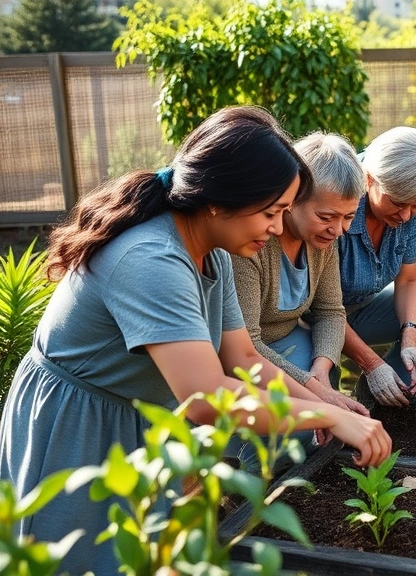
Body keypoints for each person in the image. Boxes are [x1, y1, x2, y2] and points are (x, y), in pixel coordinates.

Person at [0, 106, 392, 574]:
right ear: (217, 201)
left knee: (143, 554)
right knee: (78, 559)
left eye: (284, 212)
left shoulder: (213, 252)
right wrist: (324, 414)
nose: (275, 228)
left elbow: (243, 357)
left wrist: (320, 398)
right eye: (270, 212)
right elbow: (207, 397)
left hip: (139, 412)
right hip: (81, 423)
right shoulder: (152, 260)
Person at [230, 132, 371, 471]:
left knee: (319, 390)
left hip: (286, 337)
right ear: (292, 199)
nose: (338, 229)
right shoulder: (255, 241)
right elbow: (245, 344)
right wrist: (314, 391)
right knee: (294, 420)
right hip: (242, 347)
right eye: (326, 217)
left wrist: (321, 373)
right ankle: (251, 480)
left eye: (349, 217)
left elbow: (331, 312)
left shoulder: (323, 241)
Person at [339, 127, 416, 408]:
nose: (406, 215)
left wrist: (411, 338)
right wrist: (371, 364)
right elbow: (322, 308)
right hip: (314, 322)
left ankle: (387, 393)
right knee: (323, 406)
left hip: (360, 310)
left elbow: (409, 280)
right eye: (397, 203)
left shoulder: (407, 207)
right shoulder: (339, 201)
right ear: (369, 178)